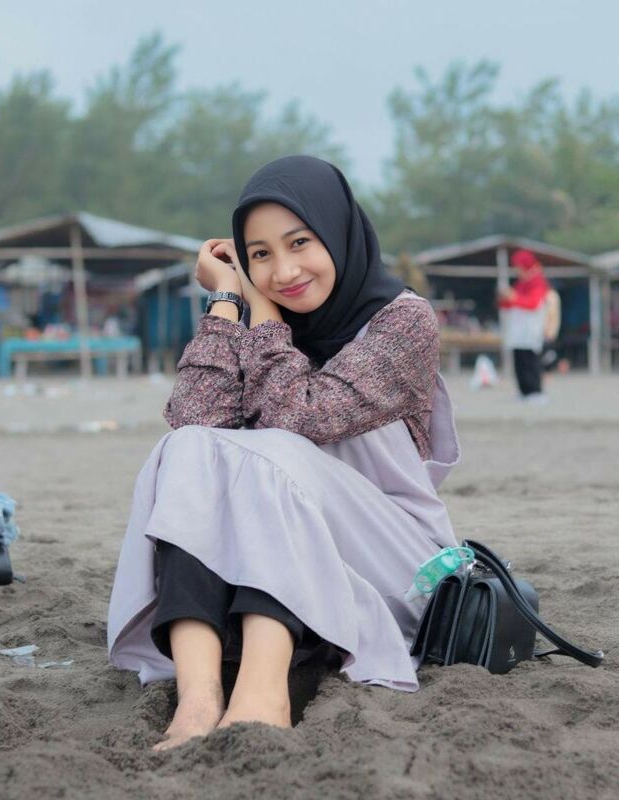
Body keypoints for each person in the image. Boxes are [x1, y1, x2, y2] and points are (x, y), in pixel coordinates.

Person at [107, 155, 460, 751]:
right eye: (260, 255)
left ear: (336, 233)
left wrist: (265, 318)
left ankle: (263, 695)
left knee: (270, 453)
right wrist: (226, 302)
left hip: (392, 558)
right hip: (279, 548)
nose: (284, 270)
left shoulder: (403, 322)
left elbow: (302, 417)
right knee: (187, 446)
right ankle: (198, 698)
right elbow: (194, 418)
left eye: (300, 243)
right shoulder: (249, 316)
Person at [498, 249, 551, 401]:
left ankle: (535, 391)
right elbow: (507, 304)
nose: (517, 270)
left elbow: (533, 303)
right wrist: (506, 298)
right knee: (519, 360)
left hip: (531, 330)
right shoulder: (520, 283)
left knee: (531, 361)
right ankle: (524, 391)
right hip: (518, 331)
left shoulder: (538, 282)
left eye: (518, 266)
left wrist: (514, 298)